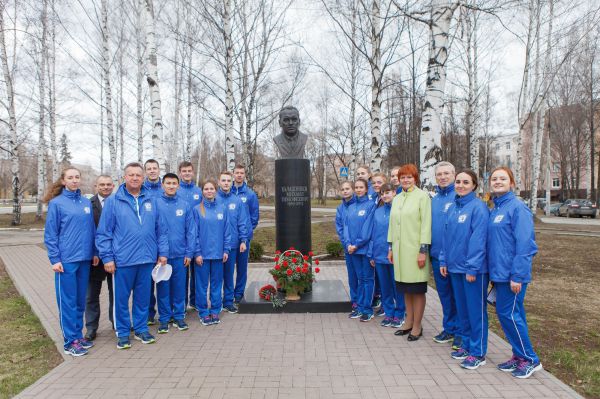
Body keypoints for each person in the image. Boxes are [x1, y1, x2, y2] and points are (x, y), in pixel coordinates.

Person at [96, 162, 169, 349]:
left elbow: (161, 230)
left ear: (143, 177)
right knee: (120, 299)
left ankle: (141, 328)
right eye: (131, 175)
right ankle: (122, 332)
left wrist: (162, 253)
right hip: (123, 261)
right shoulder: (114, 201)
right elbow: (104, 233)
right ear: (124, 177)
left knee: (143, 298)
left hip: (146, 259)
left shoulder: (152, 200)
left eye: (138, 175)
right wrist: (108, 258)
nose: (135, 178)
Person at [487, 167, 542, 379]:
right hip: (499, 275)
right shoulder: (496, 208)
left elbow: (526, 245)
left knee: (509, 314)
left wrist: (518, 276)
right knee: (511, 314)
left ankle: (530, 359)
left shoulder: (518, 208)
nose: (498, 181)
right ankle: (518, 356)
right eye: (494, 179)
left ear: (512, 183)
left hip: (513, 276)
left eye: (503, 178)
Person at [439, 170, 489, 370]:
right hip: (455, 268)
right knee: (463, 311)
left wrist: (472, 268)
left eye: (465, 182)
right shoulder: (453, 207)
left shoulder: (479, 208)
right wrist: (443, 260)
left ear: (474, 185)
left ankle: (478, 352)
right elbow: (446, 237)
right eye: (458, 181)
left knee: (476, 312)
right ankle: (467, 345)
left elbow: (479, 241)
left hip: (472, 271)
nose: (460, 185)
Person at [44, 167, 97, 357]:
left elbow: (91, 229)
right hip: (65, 261)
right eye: (70, 178)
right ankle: (70, 341)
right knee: (67, 302)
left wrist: (94, 252)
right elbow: (51, 234)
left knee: (79, 300)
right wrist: (55, 259)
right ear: (63, 181)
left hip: (84, 259)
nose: (74, 180)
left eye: (77, 177)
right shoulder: (57, 204)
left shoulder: (85, 202)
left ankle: (78, 335)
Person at [388, 164, 431, 341]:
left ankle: (417, 325)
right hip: (399, 252)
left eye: (409, 177)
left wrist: (423, 250)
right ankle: (408, 321)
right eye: (402, 177)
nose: (405, 180)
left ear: (415, 178)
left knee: (417, 290)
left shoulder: (422, 197)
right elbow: (392, 225)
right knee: (406, 289)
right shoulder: (397, 198)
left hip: (415, 252)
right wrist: (390, 248)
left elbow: (426, 224)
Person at [155, 173, 196, 334]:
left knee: (179, 287)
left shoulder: (185, 205)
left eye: (174, 183)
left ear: (178, 186)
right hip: (162, 257)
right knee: (163, 288)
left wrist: (189, 253)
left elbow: (191, 231)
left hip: (180, 255)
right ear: (162, 185)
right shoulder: (156, 204)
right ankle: (164, 318)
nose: (171, 186)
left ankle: (179, 316)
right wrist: (158, 253)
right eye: (168, 183)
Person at [430, 162, 461, 349]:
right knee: (445, 295)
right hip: (436, 256)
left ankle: (460, 332)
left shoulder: (459, 196)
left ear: (454, 174)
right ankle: (449, 328)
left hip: (455, 258)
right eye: (439, 174)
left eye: (446, 173)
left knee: (458, 296)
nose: (443, 177)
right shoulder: (434, 200)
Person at [193, 180, 232, 326]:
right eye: (206, 189)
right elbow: (194, 233)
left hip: (218, 255)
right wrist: (197, 253)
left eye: (211, 188)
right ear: (202, 191)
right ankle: (203, 312)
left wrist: (226, 249)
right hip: (202, 255)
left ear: (215, 190)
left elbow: (227, 232)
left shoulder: (222, 208)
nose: (209, 191)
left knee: (216, 284)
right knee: (202, 285)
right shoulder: (197, 210)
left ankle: (215, 310)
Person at [367, 183, 405, 328]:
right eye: (382, 193)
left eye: (388, 192)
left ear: (395, 192)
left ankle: (400, 313)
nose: (385, 195)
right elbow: (373, 233)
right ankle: (389, 313)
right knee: (385, 287)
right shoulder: (378, 211)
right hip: (379, 254)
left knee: (398, 287)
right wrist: (371, 254)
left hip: (395, 255)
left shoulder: (400, 210)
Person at [84, 175, 114, 341]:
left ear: (113, 186)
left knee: (115, 293)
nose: (105, 187)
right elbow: (89, 232)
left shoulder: (118, 202)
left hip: (114, 257)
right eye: (102, 184)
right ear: (96, 186)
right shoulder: (89, 205)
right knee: (91, 296)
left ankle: (117, 323)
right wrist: (95, 252)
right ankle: (91, 328)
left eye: (109, 184)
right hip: (95, 259)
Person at [344, 178, 376, 322]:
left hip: (364, 249)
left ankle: (367, 309)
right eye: (356, 187)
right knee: (359, 279)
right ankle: (359, 307)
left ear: (366, 188)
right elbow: (346, 227)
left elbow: (367, 229)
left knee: (367, 279)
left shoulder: (370, 206)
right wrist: (348, 244)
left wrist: (356, 244)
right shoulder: (350, 207)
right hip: (353, 250)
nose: (358, 189)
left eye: (361, 187)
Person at [217, 171, 249, 313]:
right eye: (223, 180)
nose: (225, 183)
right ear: (219, 182)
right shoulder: (213, 199)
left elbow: (242, 222)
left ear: (232, 182)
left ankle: (228, 301)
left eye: (228, 180)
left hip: (234, 244)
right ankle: (216, 301)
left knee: (229, 274)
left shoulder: (237, 201)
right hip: (217, 245)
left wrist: (243, 240)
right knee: (218, 275)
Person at [231, 164, 259, 303]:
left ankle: (239, 294)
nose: (239, 175)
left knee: (242, 268)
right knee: (228, 269)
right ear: (233, 174)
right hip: (229, 238)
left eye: (242, 173)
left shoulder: (250, 194)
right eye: (237, 173)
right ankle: (229, 295)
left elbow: (254, 216)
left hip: (244, 239)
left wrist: (248, 231)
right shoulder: (226, 192)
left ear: (244, 175)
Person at [177, 161, 202, 311]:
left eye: (189, 171)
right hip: (181, 238)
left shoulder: (198, 191)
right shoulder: (176, 190)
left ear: (192, 173)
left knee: (197, 272)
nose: (187, 173)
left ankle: (195, 301)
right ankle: (183, 303)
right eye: (184, 171)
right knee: (183, 274)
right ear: (180, 173)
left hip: (197, 237)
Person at [144, 159, 163, 325]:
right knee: (147, 283)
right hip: (147, 244)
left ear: (158, 170)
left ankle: (167, 313)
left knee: (163, 281)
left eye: (154, 168)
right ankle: (149, 314)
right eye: (148, 169)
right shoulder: (142, 190)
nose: (152, 171)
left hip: (164, 243)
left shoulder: (166, 188)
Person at [335, 181, 358, 316]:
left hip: (359, 247)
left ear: (353, 189)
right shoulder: (340, 208)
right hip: (348, 248)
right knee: (352, 276)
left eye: (347, 188)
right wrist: (346, 244)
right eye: (342, 189)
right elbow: (340, 228)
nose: (345, 191)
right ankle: (354, 301)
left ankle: (363, 302)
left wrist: (356, 245)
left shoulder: (359, 204)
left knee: (362, 276)